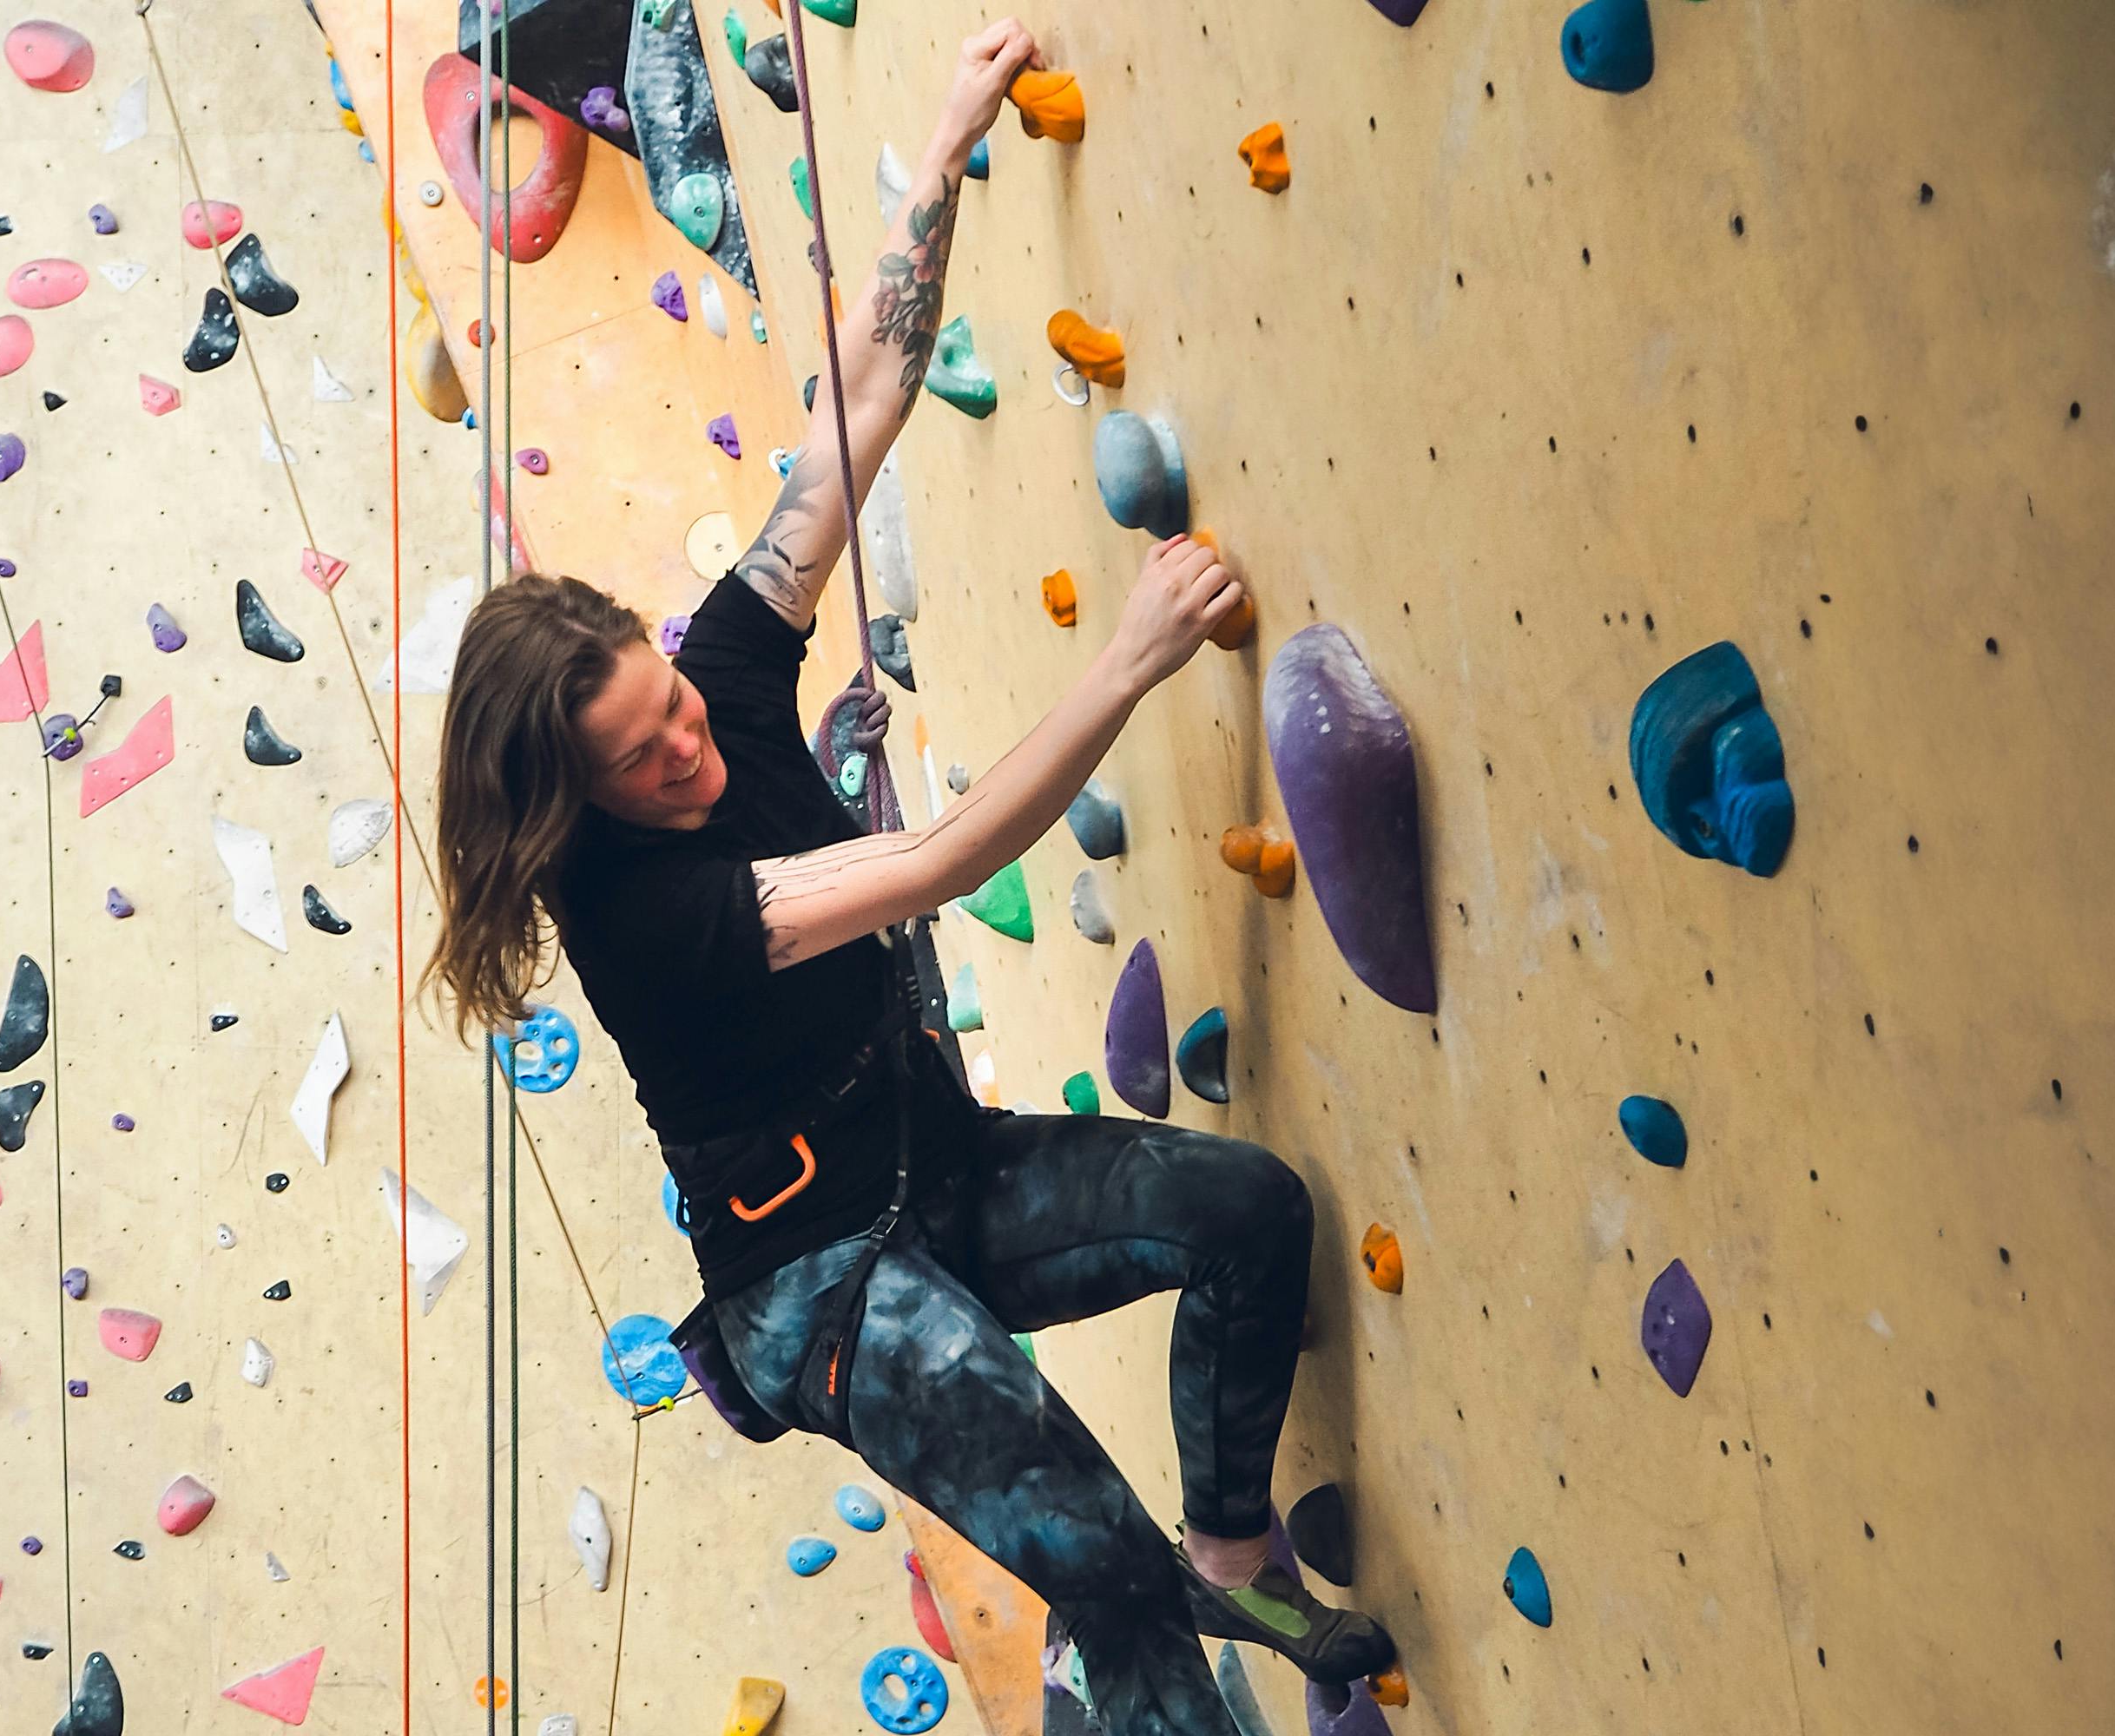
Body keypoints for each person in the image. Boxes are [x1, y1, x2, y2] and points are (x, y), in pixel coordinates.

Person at [426, 19, 1394, 1732]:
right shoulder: (640, 920)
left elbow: (865, 400)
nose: (689, 751)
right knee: (1098, 1565)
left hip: (936, 1169)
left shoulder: (717, 667)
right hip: (828, 1290)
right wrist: (1129, 661)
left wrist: (935, 157)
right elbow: (942, 853)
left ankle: (1235, 1529)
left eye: (671, 706)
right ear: (580, 805)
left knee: (1252, 1213)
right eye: (645, 762)